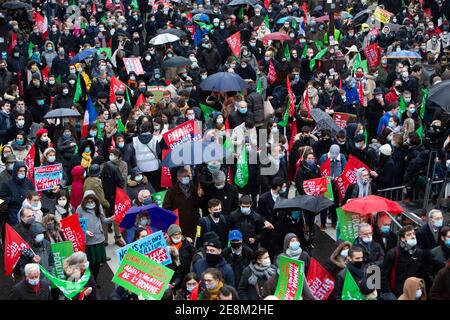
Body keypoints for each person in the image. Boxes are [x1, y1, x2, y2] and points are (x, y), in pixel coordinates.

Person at [381, 225, 433, 299]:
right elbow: (384, 276)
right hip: (396, 293)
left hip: (413, 292)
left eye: (413, 233)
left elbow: (421, 274)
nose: (413, 236)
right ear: (402, 238)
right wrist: (389, 293)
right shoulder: (392, 254)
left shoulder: (419, 253)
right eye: (409, 235)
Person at [76, 190, 114, 281]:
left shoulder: (98, 206)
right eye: (88, 201)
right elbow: (77, 224)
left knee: (97, 263)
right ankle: (89, 281)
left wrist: (111, 219)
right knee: (89, 263)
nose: (90, 202)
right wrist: (85, 231)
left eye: (92, 200)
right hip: (88, 241)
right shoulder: (80, 208)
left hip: (98, 238)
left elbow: (103, 220)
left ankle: (95, 280)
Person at [163, 167, 200, 240]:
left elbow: (198, 205)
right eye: (184, 176)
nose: (186, 178)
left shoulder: (194, 189)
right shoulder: (172, 191)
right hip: (179, 223)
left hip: (193, 222)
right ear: (178, 177)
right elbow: (166, 208)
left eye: (188, 176)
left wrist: (200, 196)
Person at [0, 161, 34, 225]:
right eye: (20, 171)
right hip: (13, 213)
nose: (22, 173)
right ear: (15, 171)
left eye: (24, 171)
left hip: (28, 212)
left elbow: (33, 194)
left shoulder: (28, 182)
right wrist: (13, 199)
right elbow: (1, 199)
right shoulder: (7, 184)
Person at [166, 224, 195, 290]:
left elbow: (193, 259)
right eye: (175, 235)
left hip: (186, 278)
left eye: (179, 234)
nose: (178, 236)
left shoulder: (188, 246)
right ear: (170, 236)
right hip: (172, 281)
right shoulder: (165, 249)